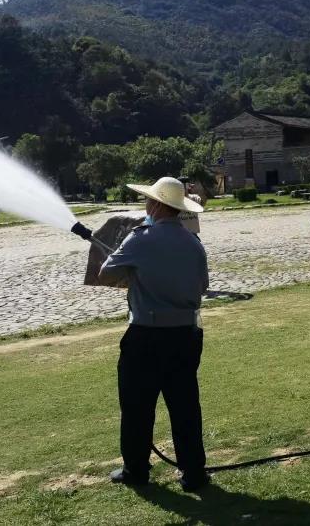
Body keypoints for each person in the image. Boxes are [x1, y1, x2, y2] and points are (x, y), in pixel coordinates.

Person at [99, 176, 211, 493]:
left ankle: (136, 469)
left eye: (148, 201)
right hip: (186, 335)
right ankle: (193, 473)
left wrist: (135, 273)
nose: (145, 205)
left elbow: (105, 273)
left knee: (137, 406)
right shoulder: (193, 243)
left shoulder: (140, 239)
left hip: (146, 336)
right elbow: (202, 287)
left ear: (157, 204)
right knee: (185, 405)